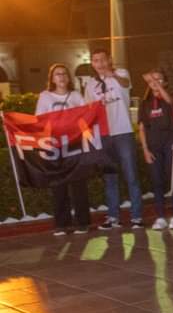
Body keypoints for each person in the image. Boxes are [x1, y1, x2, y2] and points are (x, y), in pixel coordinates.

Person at [84, 48, 143, 229]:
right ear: (92, 63)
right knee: (110, 177)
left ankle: (137, 217)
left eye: (102, 59)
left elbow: (126, 84)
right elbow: (87, 110)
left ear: (109, 60)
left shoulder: (121, 73)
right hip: (103, 135)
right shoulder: (90, 84)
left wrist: (112, 75)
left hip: (123, 132)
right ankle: (113, 217)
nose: (99, 63)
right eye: (95, 60)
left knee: (131, 175)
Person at [37, 64, 91, 236]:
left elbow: (86, 117)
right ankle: (62, 224)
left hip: (74, 144)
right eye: (57, 74)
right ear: (52, 79)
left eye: (64, 74)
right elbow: (39, 120)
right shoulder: (45, 96)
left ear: (68, 77)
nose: (61, 76)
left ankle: (83, 223)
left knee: (78, 185)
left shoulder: (76, 96)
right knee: (58, 185)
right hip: (55, 145)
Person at [138, 70, 173, 230]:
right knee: (157, 181)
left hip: (170, 144)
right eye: (152, 81)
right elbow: (142, 128)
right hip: (153, 146)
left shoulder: (172, 97)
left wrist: (156, 83)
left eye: (159, 80)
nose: (155, 83)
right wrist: (145, 149)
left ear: (165, 83)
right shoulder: (145, 103)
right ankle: (160, 216)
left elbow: (170, 102)